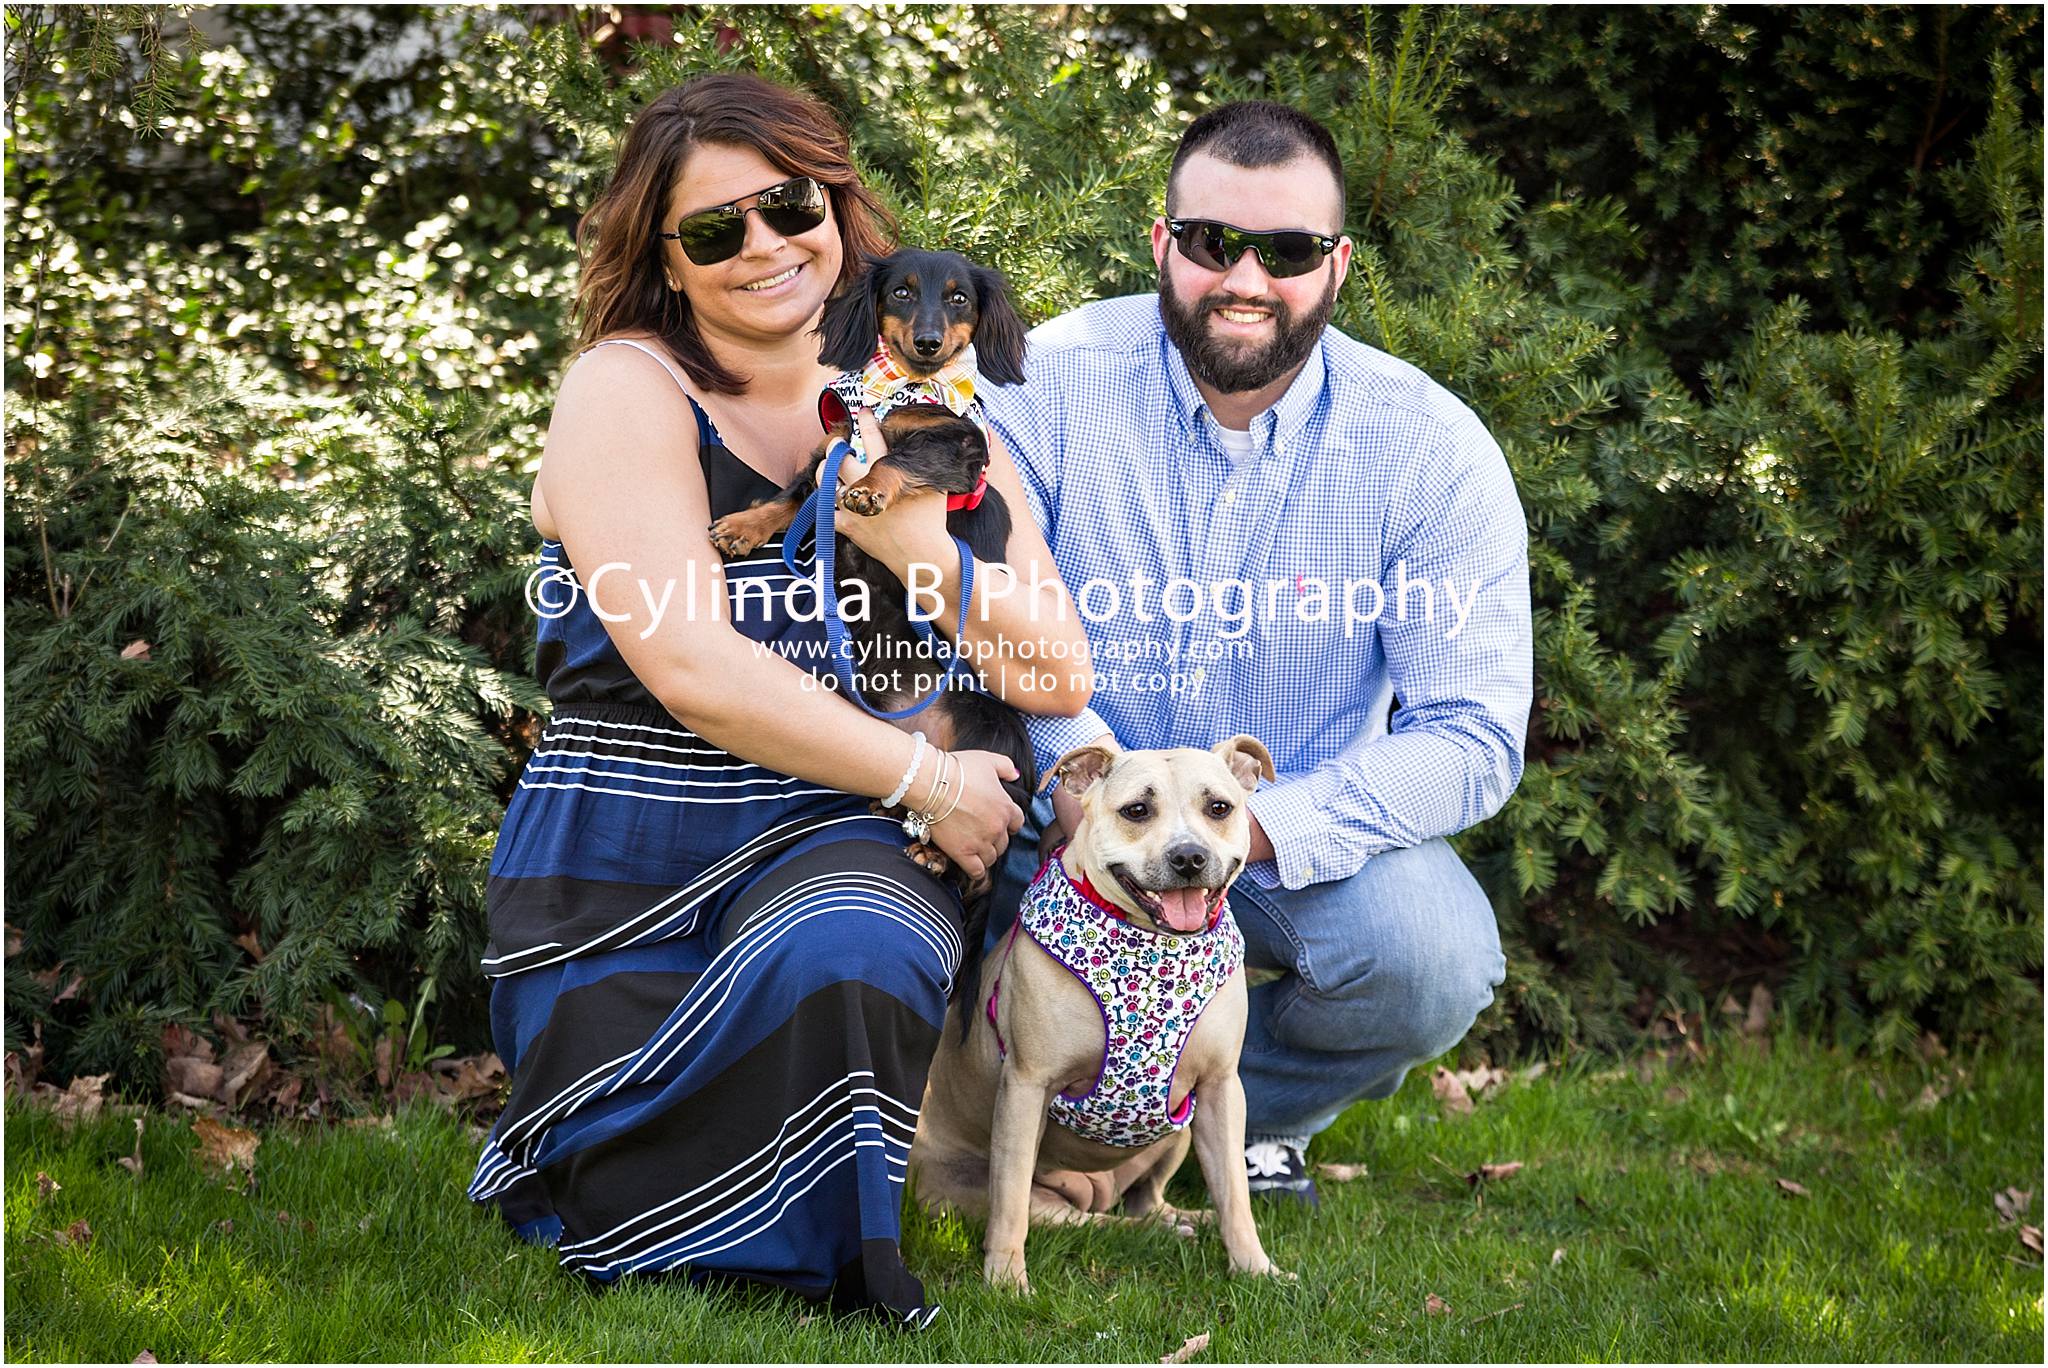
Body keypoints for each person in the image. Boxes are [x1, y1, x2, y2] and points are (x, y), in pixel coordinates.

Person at [469, 72, 1092, 1325]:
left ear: (834, 207)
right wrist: (925, 778)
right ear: (666, 258)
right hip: (631, 854)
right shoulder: (626, 388)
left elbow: (1052, 672)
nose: (762, 245)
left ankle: (821, 1242)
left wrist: (905, 535)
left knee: (854, 936)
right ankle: (655, 1189)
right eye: (714, 230)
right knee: (639, 1088)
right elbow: (690, 666)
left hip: (836, 828)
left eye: (788, 206)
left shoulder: (924, 409)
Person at [982, 100, 1531, 1206]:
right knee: (893, 900)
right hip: (1053, 819)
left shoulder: (1429, 449)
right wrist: (1092, 802)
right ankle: (995, 1110)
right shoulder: (1041, 381)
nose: (1244, 278)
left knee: (1432, 956)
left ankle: (1223, 1117)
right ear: (1160, 244)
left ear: (1337, 265)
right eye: (1211, 241)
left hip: (1274, 836)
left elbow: (1472, 735)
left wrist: (1241, 828)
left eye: (1285, 251)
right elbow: (983, 611)